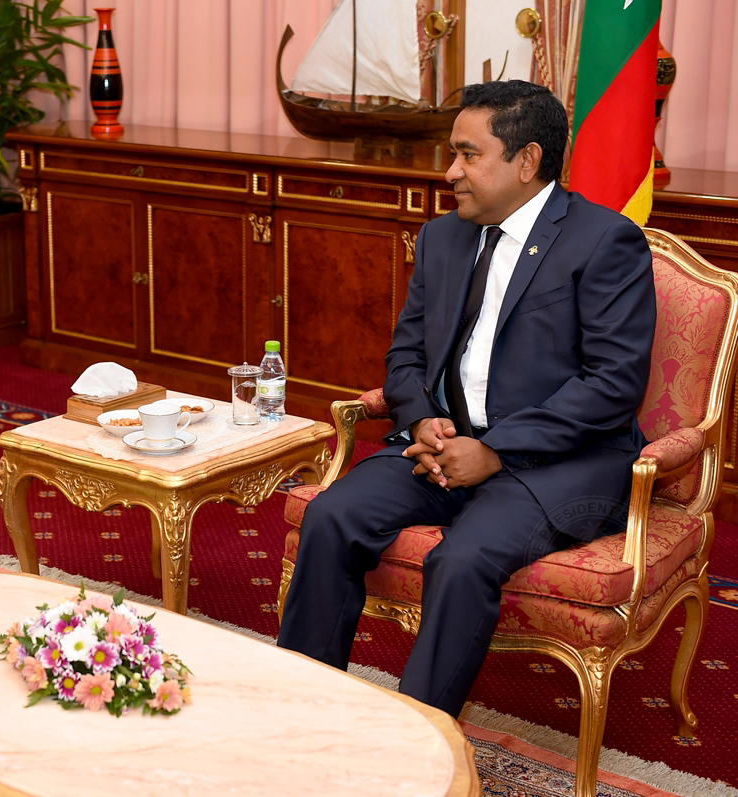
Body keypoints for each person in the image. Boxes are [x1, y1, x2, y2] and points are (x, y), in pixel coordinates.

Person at [276, 81, 656, 717]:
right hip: (441, 450)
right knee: (330, 516)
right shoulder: (443, 238)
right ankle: (305, 711)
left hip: (557, 464)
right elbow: (406, 356)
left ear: (526, 160)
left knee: (462, 560)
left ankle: (425, 744)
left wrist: (494, 451)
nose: (449, 171)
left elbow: (613, 385)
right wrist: (422, 417)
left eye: (467, 154)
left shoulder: (603, 241)